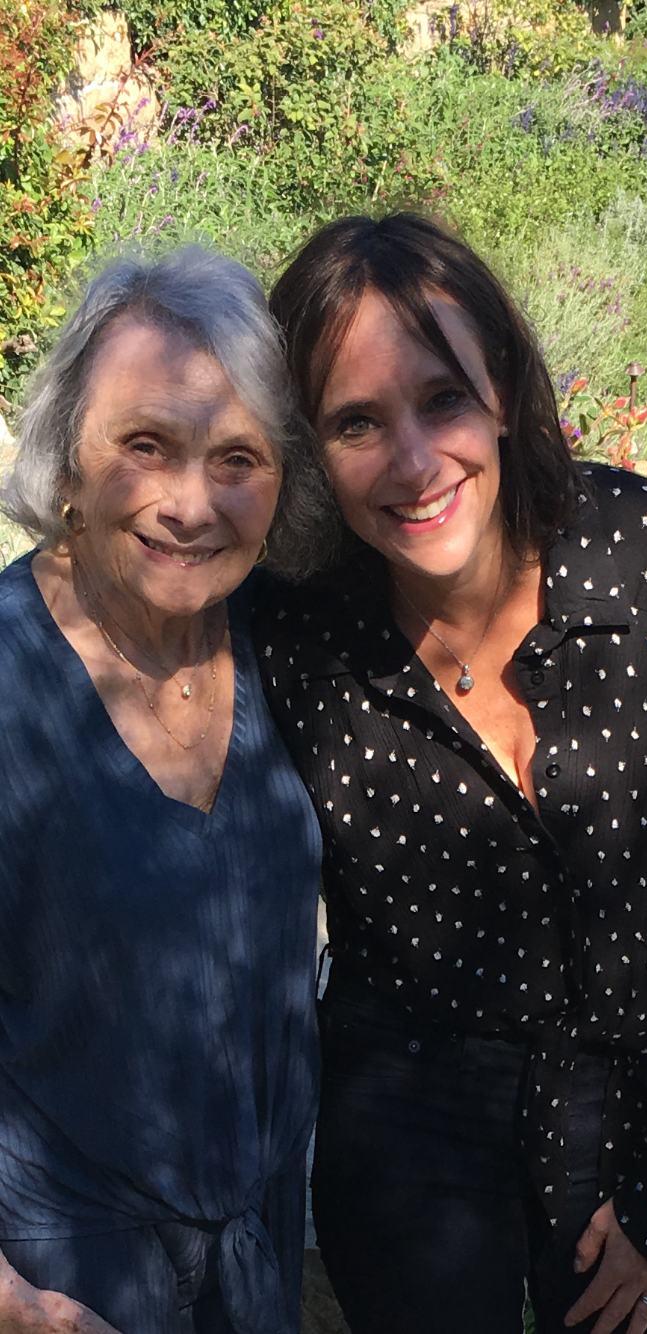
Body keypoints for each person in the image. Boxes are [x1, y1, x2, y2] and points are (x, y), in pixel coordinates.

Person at [248, 212, 647, 1334]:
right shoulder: (294, 624)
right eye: (356, 421)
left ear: (508, 392)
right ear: (310, 450)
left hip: (643, 1093)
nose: (415, 462)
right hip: (406, 1111)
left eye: (444, 399)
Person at [0, 246, 326, 1334]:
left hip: (255, 1254)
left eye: (238, 457)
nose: (192, 504)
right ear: (66, 459)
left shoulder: (277, 639)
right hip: (65, 1274)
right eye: (145, 444)